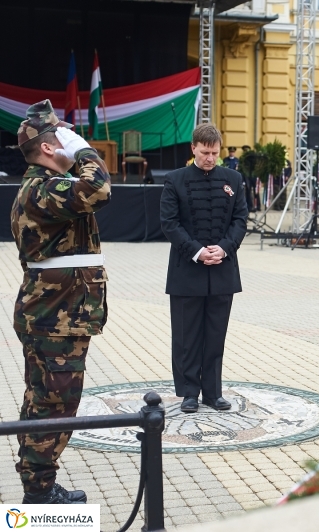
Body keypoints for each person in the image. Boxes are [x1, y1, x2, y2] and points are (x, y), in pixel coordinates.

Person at [11, 100, 111, 504]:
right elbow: (99, 187)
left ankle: (38, 486)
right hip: (55, 320)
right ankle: (38, 500)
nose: (69, 141)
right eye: (63, 135)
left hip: (57, 317)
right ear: (50, 147)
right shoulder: (42, 190)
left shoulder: (48, 187)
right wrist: (83, 148)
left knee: (44, 404)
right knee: (54, 408)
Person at [161, 123, 248, 414]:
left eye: (215, 153)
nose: (210, 158)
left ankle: (213, 392)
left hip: (222, 269)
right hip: (187, 270)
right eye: (205, 152)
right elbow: (170, 224)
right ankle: (188, 393)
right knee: (186, 336)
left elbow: (240, 220)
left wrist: (224, 248)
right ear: (193, 148)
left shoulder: (233, 179)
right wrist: (197, 252)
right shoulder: (174, 180)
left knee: (215, 335)